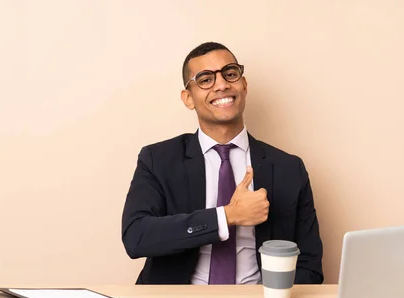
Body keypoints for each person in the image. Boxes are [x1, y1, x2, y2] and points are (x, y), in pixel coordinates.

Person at [121, 42, 323, 285]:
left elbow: (310, 265)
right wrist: (227, 216)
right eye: (205, 79)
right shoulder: (158, 160)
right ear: (188, 98)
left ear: (244, 85)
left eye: (230, 74)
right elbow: (136, 236)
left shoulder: (288, 169)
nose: (222, 84)